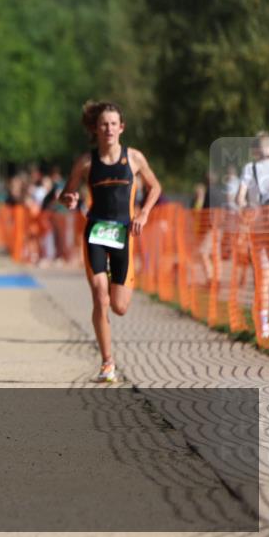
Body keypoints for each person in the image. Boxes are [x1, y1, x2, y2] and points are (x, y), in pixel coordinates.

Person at [60, 100, 161, 383]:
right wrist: (69, 198)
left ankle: (108, 355)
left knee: (119, 306)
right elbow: (65, 194)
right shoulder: (86, 162)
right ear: (96, 128)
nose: (109, 129)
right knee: (99, 296)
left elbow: (155, 187)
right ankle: (107, 362)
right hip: (95, 233)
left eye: (113, 124)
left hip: (124, 234)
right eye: (104, 124)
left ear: (122, 127)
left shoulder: (134, 159)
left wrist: (143, 213)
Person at [236, 132, 269, 340]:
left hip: (259, 222)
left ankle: (263, 327)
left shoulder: (249, 168)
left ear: (255, 152)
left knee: (263, 276)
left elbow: (239, 198)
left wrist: (246, 211)